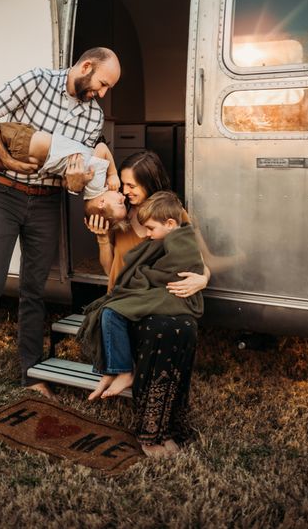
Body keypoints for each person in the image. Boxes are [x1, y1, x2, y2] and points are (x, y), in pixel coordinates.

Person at [0, 47, 121, 412]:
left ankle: (31, 374)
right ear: (86, 66)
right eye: (102, 83)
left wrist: (77, 183)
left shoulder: (93, 116)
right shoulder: (36, 80)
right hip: (4, 193)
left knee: (34, 290)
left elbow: (74, 182)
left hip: (48, 201)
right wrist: (5, 157)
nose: (102, 93)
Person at [85, 150, 209, 458]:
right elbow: (110, 273)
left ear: (150, 182)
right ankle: (150, 431)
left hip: (162, 295)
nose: (124, 192)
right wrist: (103, 239)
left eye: (131, 186)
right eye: (123, 185)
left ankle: (170, 423)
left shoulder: (171, 214)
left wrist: (202, 278)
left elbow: (198, 258)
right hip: (131, 297)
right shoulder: (119, 216)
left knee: (182, 327)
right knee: (160, 331)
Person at [78, 191, 204, 402]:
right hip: (158, 291)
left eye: (151, 229)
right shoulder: (156, 232)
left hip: (173, 295)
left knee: (111, 311)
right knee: (109, 311)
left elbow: (175, 271)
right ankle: (113, 370)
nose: (124, 192)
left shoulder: (180, 238)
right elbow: (133, 264)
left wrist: (145, 275)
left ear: (171, 223)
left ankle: (123, 372)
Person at [0, 127, 126, 224]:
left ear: (101, 204)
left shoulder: (99, 184)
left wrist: (113, 173)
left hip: (31, 143)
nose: (123, 197)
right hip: (35, 160)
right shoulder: (91, 190)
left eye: (120, 203)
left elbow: (101, 148)